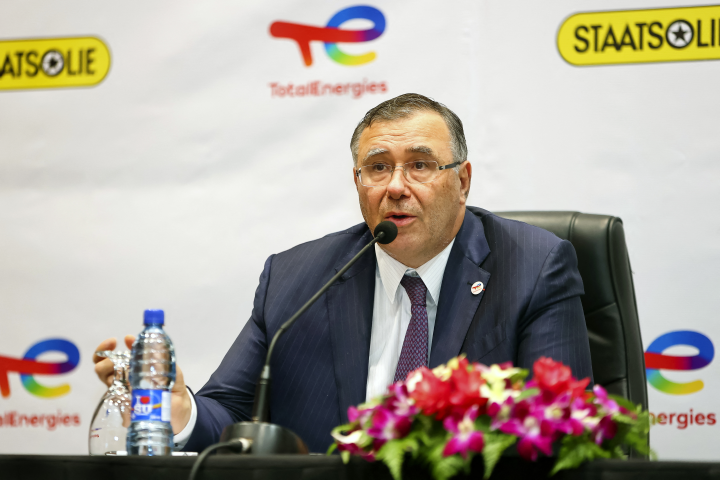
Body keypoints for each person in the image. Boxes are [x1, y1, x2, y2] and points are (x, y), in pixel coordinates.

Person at [94, 93, 593, 453]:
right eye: (378, 168)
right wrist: (179, 409)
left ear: (461, 181)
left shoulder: (532, 266)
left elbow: (563, 433)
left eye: (420, 165)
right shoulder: (296, 278)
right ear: (358, 181)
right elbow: (232, 414)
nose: (396, 187)